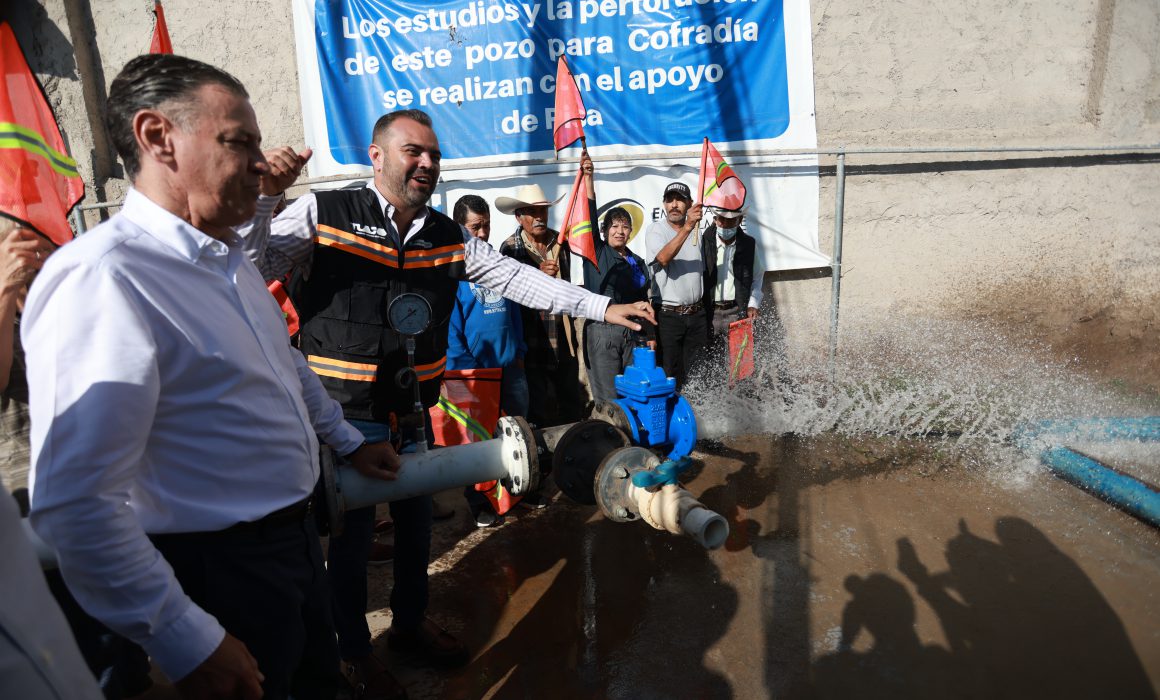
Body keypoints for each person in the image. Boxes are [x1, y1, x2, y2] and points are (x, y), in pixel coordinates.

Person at [23, 53, 401, 700]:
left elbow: (285, 369)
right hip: (220, 574)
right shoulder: (105, 278)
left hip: (297, 546)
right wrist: (186, 636)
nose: (261, 161)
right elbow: (75, 505)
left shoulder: (227, 258)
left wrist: (348, 441)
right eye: (238, 141)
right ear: (156, 137)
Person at [242, 109, 653, 699]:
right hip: (341, 417)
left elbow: (516, 279)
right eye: (413, 151)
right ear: (376, 156)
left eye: (434, 155)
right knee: (352, 546)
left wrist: (601, 307)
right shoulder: (321, 213)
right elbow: (249, 269)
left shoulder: (446, 234)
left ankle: (408, 626)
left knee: (415, 531)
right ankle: (354, 652)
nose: (427, 164)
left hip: (410, 412)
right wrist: (264, 198)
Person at [446, 195, 528, 528]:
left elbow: (516, 312)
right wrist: (468, 373)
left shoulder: (499, 263)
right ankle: (478, 501)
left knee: (519, 434)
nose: (482, 233)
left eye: (486, 225)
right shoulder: (452, 271)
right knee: (477, 443)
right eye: (474, 227)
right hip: (476, 378)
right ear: (459, 229)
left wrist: (519, 352)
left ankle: (518, 492)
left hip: (510, 370)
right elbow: (452, 332)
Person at [496, 183, 584, 427]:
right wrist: (537, 274)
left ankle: (575, 446)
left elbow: (567, 283)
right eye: (532, 212)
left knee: (570, 400)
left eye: (542, 211)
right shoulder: (510, 248)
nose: (539, 217)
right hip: (532, 338)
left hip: (562, 336)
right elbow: (510, 295)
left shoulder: (560, 241)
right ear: (519, 217)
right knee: (537, 405)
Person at [574, 155, 655, 402]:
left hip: (633, 333)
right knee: (609, 398)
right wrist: (589, 178)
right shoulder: (596, 252)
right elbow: (587, 214)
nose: (620, 231)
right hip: (602, 331)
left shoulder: (637, 262)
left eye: (625, 227)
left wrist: (650, 335)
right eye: (614, 226)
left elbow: (644, 303)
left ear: (631, 231)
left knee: (633, 394)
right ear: (604, 229)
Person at [645, 182, 705, 389]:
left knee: (699, 376)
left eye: (679, 200)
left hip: (697, 316)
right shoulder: (655, 230)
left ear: (689, 204)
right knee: (672, 375)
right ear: (663, 204)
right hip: (669, 317)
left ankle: (697, 419)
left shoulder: (698, 233)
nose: (674, 205)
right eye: (669, 200)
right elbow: (663, 258)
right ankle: (673, 420)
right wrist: (688, 227)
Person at [701, 208, 764, 343]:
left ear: (739, 220)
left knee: (740, 361)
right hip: (709, 313)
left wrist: (753, 303)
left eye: (730, 220)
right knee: (709, 360)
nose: (724, 224)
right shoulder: (703, 243)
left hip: (736, 311)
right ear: (715, 220)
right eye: (721, 219)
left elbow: (757, 276)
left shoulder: (749, 245)